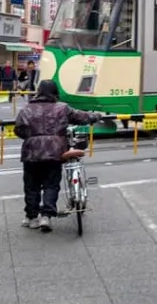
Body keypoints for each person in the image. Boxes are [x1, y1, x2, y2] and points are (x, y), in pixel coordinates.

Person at [14, 80, 103, 232]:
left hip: (31, 152)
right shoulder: (62, 108)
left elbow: (19, 129)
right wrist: (95, 116)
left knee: (31, 186)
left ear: (39, 91)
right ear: (55, 92)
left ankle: (32, 217)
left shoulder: (26, 109)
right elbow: (81, 117)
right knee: (51, 183)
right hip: (55, 150)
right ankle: (46, 216)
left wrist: (32, 138)